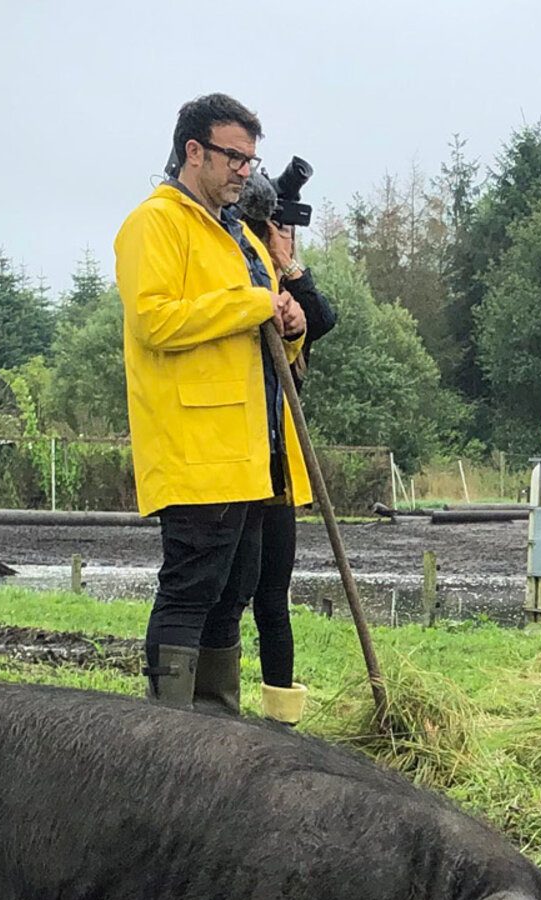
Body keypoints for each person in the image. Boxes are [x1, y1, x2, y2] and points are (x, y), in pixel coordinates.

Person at [114, 92, 309, 714]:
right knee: (191, 588)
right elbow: (155, 320)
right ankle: (168, 733)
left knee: (235, 589)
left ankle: (216, 727)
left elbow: (265, 323)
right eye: (234, 157)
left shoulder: (235, 235)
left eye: (250, 160)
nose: (245, 171)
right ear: (192, 150)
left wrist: (291, 318)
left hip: (250, 448)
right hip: (196, 445)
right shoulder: (156, 223)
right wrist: (257, 305)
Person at [234, 169, 338, 726]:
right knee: (229, 596)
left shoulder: (288, 295)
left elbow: (322, 318)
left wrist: (289, 263)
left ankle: (280, 720)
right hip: (232, 455)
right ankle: (212, 714)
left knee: (274, 599)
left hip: (277, 465)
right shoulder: (239, 280)